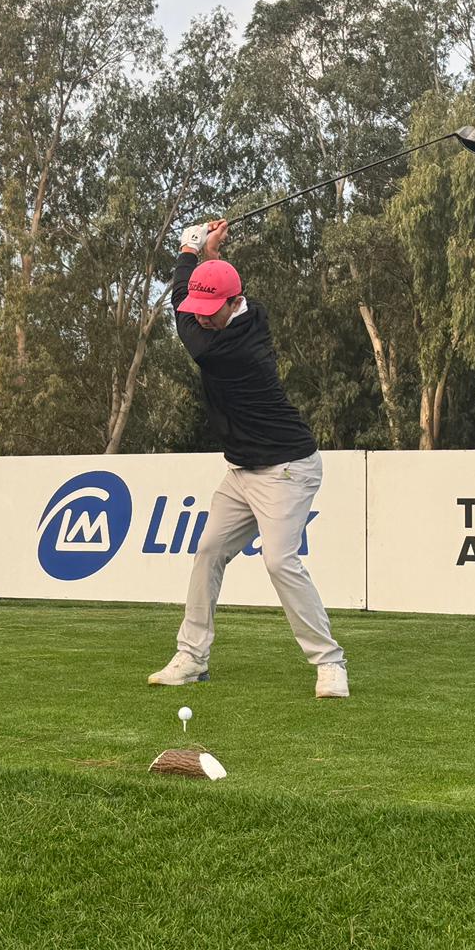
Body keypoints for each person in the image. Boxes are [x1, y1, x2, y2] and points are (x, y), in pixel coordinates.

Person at [147, 218, 348, 698]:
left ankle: (330, 664)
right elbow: (192, 298)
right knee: (208, 552)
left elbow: (179, 306)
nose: (200, 317)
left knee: (280, 562)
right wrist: (210, 257)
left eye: (209, 311)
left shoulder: (226, 350)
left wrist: (189, 248)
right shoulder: (249, 311)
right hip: (242, 470)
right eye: (200, 310)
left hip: (287, 468)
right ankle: (192, 657)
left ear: (233, 303)